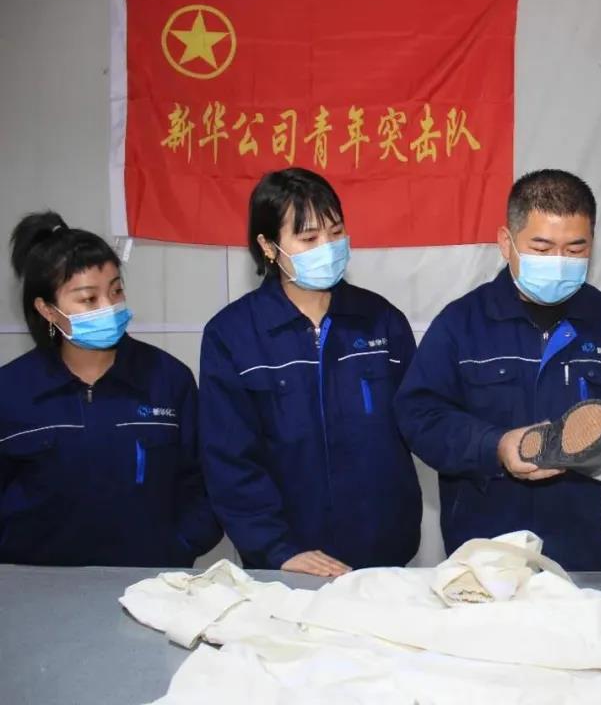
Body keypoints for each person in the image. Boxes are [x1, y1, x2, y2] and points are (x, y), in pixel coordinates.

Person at [394, 169, 601, 571]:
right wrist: (495, 445)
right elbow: (420, 415)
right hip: (488, 549)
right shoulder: (462, 323)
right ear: (506, 242)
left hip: (592, 549)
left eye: (574, 249)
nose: (559, 263)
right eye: (543, 248)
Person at [199, 168, 421, 576]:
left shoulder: (380, 320)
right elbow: (229, 460)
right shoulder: (232, 335)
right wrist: (277, 549)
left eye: (335, 233)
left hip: (383, 558)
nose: (328, 248)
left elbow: (423, 419)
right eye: (309, 238)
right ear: (268, 246)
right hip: (285, 564)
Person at [0, 212, 220, 566]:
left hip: (152, 580)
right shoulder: (11, 390)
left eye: (115, 291)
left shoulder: (167, 379)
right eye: (89, 299)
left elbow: (205, 482)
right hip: (37, 583)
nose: (109, 307)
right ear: (47, 310)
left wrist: (179, 544)